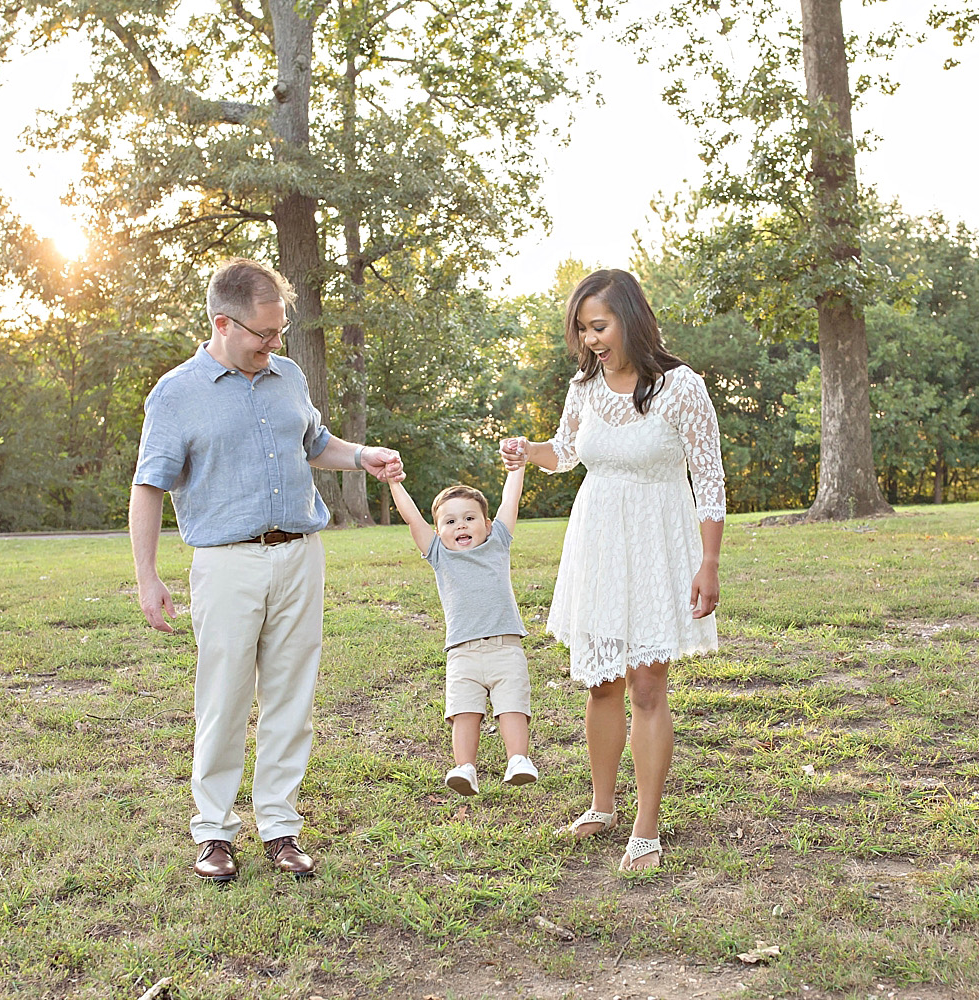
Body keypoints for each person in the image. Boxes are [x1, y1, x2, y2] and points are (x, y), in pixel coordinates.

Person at [130, 258, 403, 885]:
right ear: (224, 325)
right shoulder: (176, 394)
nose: (275, 344)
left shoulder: (288, 377)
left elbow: (316, 445)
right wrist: (147, 576)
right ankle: (214, 833)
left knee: (290, 696)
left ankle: (280, 826)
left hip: (300, 556)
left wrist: (362, 456)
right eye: (264, 334)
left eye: (280, 331)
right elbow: (148, 487)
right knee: (223, 700)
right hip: (227, 564)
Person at [501, 268, 725, 871]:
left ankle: (646, 828)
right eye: (582, 330)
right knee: (601, 683)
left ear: (629, 317)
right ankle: (602, 806)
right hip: (598, 541)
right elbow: (565, 453)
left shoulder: (681, 387)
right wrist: (530, 451)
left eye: (598, 326)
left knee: (648, 686)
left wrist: (709, 562)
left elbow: (709, 479)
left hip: (658, 544)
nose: (591, 340)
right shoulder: (585, 386)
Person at [388, 467, 538, 796]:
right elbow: (413, 519)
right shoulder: (439, 555)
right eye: (451, 522)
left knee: (512, 706)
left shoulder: (497, 543)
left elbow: (510, 500)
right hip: (462, 653)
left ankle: (518, 760)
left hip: (504, 648)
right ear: (438, 531)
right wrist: (394, 482)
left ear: (487, 525)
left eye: (469, 518)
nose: (461, 526)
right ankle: (465, 767)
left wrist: (518, 467)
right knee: (463, 712)